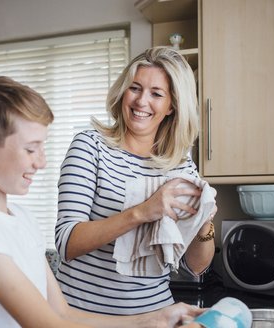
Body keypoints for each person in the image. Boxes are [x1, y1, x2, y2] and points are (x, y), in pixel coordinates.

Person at [0, 76, 205, 328]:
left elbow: (63, 313)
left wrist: (158, 318)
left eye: (42, 147)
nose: (42, 162)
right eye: (30, 148)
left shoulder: (21, 218)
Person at [55, 46, 218, 315]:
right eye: (135, 88)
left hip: (155, 317)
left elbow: (195, 267)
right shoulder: (90, 146)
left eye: (156, 94)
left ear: (172, 106)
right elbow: (67, 243)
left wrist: (204, 223)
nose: (141, 101)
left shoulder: (181, 165)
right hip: (83, 317)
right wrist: (142, 212)